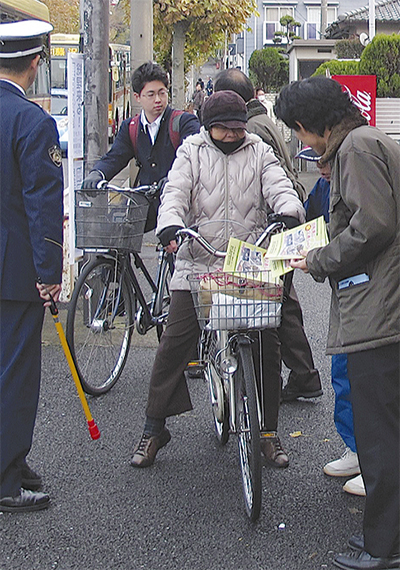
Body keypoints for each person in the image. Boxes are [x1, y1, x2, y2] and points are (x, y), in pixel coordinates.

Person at [130, 90, 305, 469]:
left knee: (267, 342)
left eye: (237, 128)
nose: (232, 135)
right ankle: (153, 427)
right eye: (223, 129)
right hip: (199, 262)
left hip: (248, 262)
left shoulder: (259, 150)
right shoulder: (191, 151)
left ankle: (269, 433)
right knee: (174, 344)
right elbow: (174, 193)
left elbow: (279, 186)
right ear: (209, 127)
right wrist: (170, 225)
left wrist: (289, 210)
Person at [275, 76, 400, 570]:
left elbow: (374, 224)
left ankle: (384, 547)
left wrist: (322, 258)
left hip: (380, 309)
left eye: (299, 134)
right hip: (382, 305)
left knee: (379, 434)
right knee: (385, 429)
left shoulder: (356, 150)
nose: (302, 143)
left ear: (311, 125)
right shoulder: (366, 140)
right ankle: (383, 536)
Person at [214, 68, 323, 402]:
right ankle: (303, 376)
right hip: (282, 222)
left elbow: (268, 182)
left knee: (271, 309)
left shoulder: (252, 130)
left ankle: (274, 386)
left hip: (273, 224)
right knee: (283, 303)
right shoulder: (262, 122)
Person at [0, 20, 64, 513]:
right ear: (36, 63)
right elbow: (42, 204)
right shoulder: (32, 121)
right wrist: (50, 273)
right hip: (15, 268)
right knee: (16, 374)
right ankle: (6, 477)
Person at [296, 146, 365, 497]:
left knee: (370, 378)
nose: (320, 168)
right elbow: (306, 224)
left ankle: (376, 460)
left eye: (326, 161)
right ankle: (356, 448)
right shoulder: (322, 188)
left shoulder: (360, 176)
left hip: (372, 295)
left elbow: (369, 233)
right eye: (316, 162)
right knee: (342, 370)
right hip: (344, 291)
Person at [82, 61, 200, 231]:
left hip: (179, 206)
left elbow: (195, 159)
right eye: (150, 94)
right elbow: (115, 157)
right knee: (117, 237)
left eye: (162, 93)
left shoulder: (183, 123)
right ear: (137, 97)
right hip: (145, 206)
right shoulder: (131, 127)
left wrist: (174, 178)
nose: (158, 100)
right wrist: (97, 174)